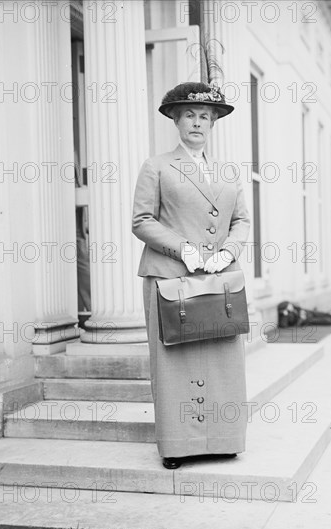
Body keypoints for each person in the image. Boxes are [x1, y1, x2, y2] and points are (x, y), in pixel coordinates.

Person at [132, 81, 251, 469]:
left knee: (221, 359)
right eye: (189, 116)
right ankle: (178, 446)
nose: (197, 122)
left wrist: (227, 253)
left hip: (220, 277)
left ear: (213, 123)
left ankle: (222, 439)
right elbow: (142, 220)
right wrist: (183, 248)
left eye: (204, 116)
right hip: (171, 277)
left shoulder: (228, 171)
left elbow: (241, 220)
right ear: (176, 120)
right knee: (174, 363)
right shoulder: (157, 166)